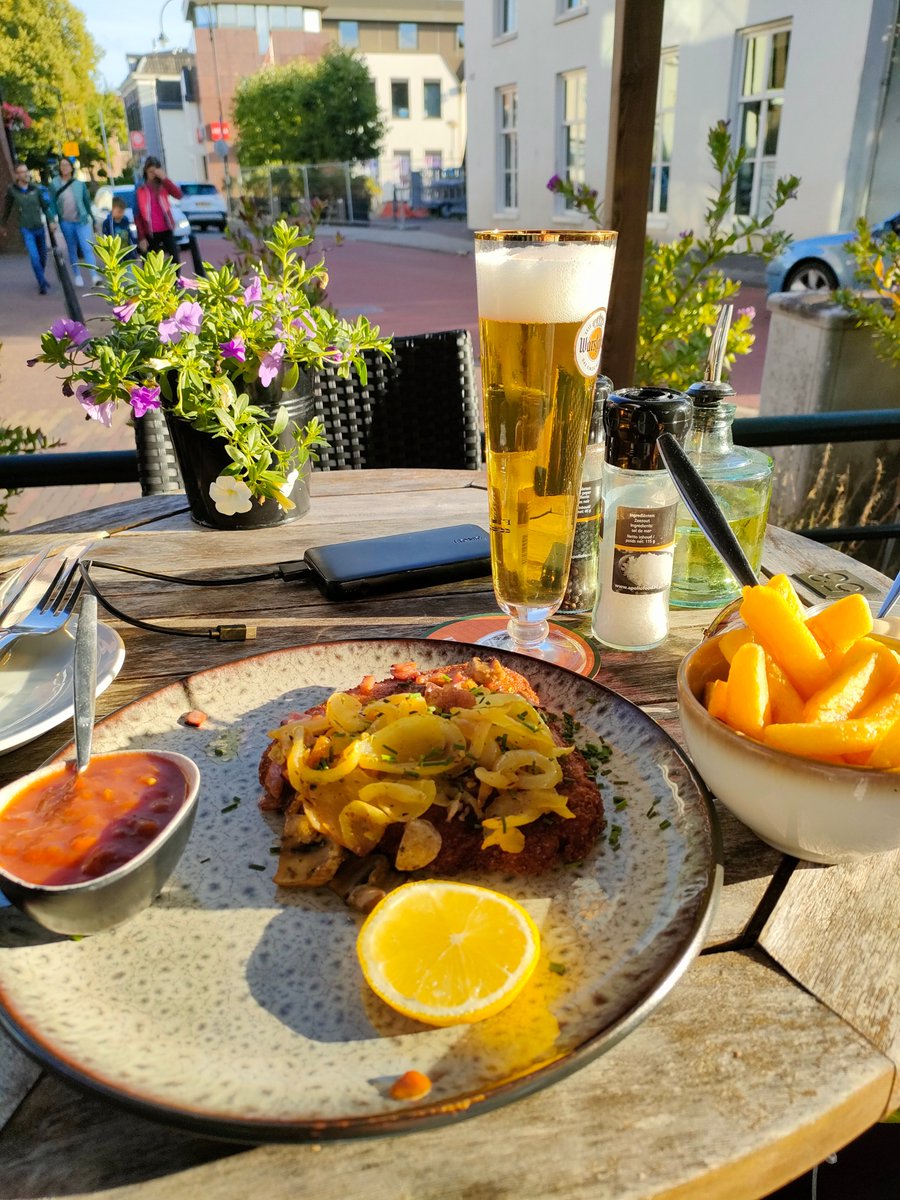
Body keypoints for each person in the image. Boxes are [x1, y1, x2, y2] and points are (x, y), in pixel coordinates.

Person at [0, 161, 58, 294]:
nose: (26, 174)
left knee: (43, 257)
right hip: (26, 229)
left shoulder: (35, 189)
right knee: (34, 257)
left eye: (27, 171)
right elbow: (7, 209)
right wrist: (3, 225)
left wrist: (51, 220)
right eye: (22, 172)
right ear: (17, 175)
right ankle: (42, 283)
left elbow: (45, 207)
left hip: (39, 227)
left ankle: (41, 278)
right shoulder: (12, 190)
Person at [51, 157, 98, 287]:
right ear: (59, 168)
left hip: (82, 221)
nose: (64, 167)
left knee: (87, 247)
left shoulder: (79, 184)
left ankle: (94, 276)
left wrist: (92, 218)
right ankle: (77, 275)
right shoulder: (55, 184)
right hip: (66, 222)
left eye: (67, 165)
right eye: (62, 165)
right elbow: (53, 204)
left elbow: (86, 202)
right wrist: (52, 219)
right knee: (72, 249)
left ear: (72, 168)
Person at [134, 157, 182, 261]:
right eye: (150, 171)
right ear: (145, 171)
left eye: (155, 172)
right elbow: (137, 214)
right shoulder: (140, 188)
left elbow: (178, 195)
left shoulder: (163, 184)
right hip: (150, 232)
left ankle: (175, 278)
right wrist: (141, 237)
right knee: (151, 262)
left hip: (166, 228)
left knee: (175, 258)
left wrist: (164, 178)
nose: (153, 174)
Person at [101, 195, 138, 261]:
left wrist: (134, 250)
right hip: (115, 255)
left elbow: (131, 236)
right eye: (119, 212)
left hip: (127, 253)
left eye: (122, 212)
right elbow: (105, 237)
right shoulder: (107, 223)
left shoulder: (126, 221)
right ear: (112, 210)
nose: (121, 214)